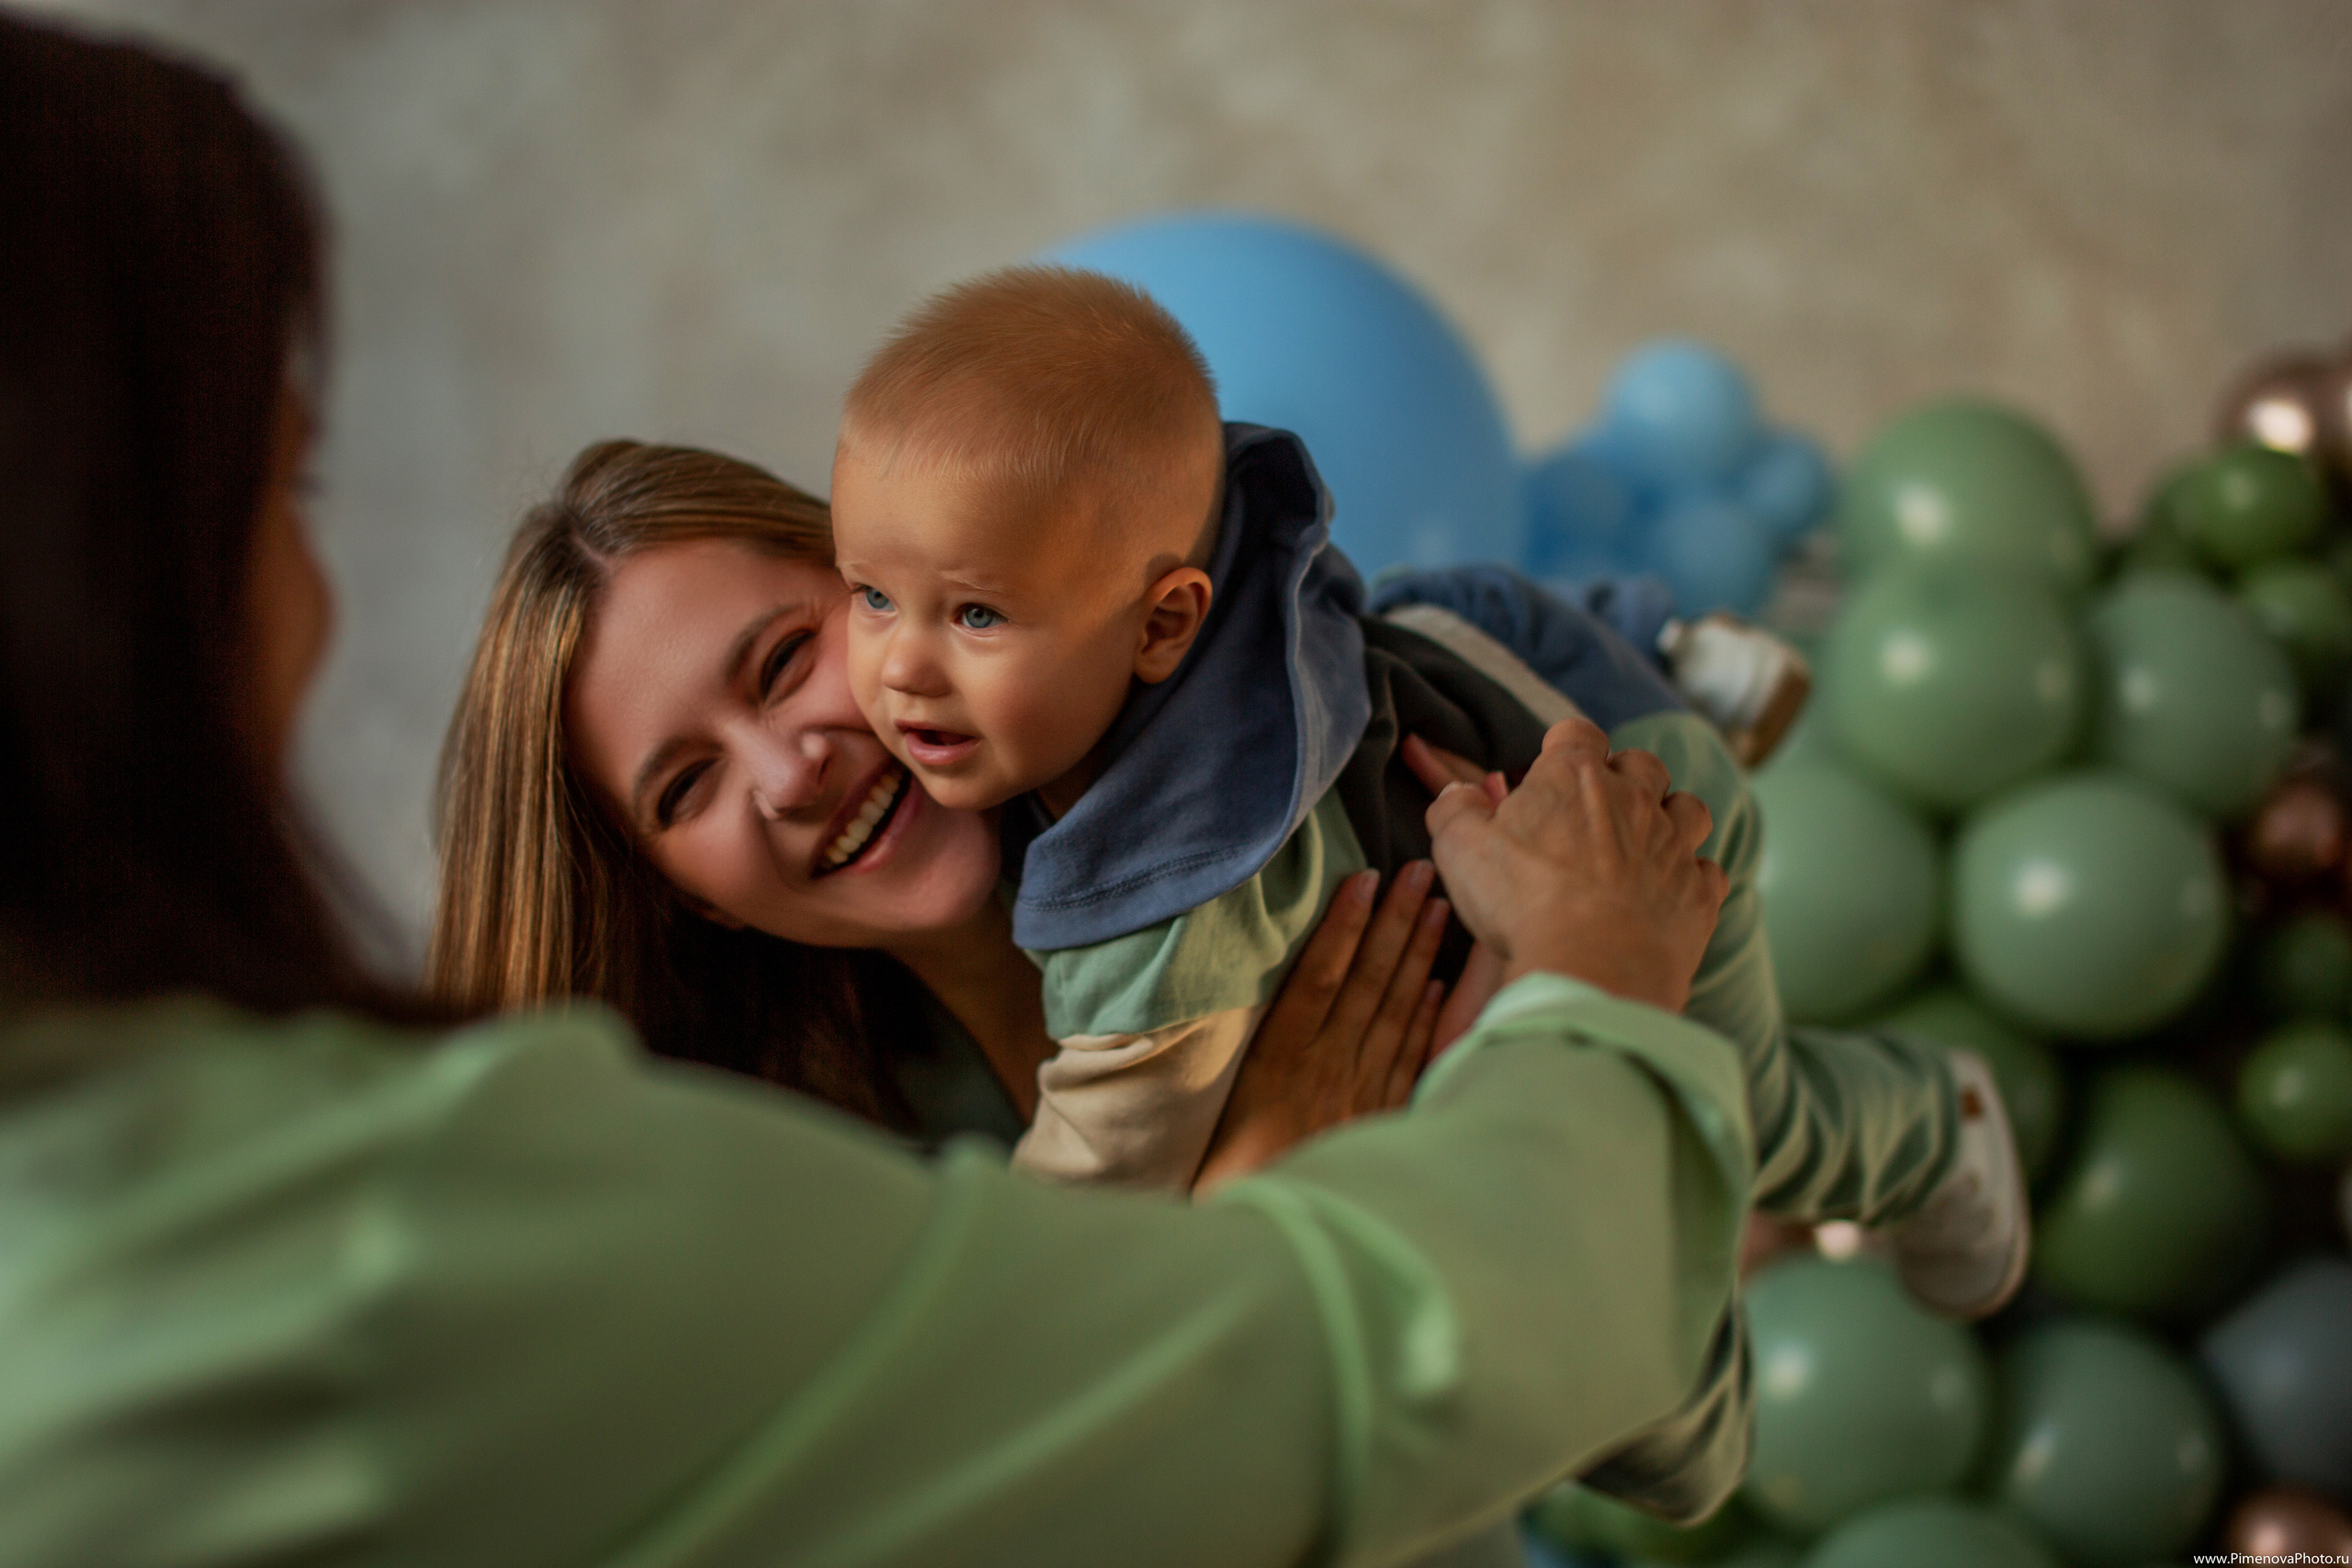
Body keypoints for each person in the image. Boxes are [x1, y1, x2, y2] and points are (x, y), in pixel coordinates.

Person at [0, 14, 1758, 1564]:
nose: (796, 763)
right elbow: (1315, 1397)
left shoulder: (1321, 834)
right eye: (683, 784)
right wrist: (1506, 1059)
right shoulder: (717, 1190)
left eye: (786, 659)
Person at [829, 265, 2028, 1318]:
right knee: (1408, 621)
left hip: (1620, 807)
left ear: (1163, 624)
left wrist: (967, 1300)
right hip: (1506, 667)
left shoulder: (1171, 888)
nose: (898, 670)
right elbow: (1377, 616)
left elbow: (1101, 1182)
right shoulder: (1198, 576)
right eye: (868, 596)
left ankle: (1933, 1126)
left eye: (974, 613)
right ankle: (1656, 640)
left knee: (1743, 1120)